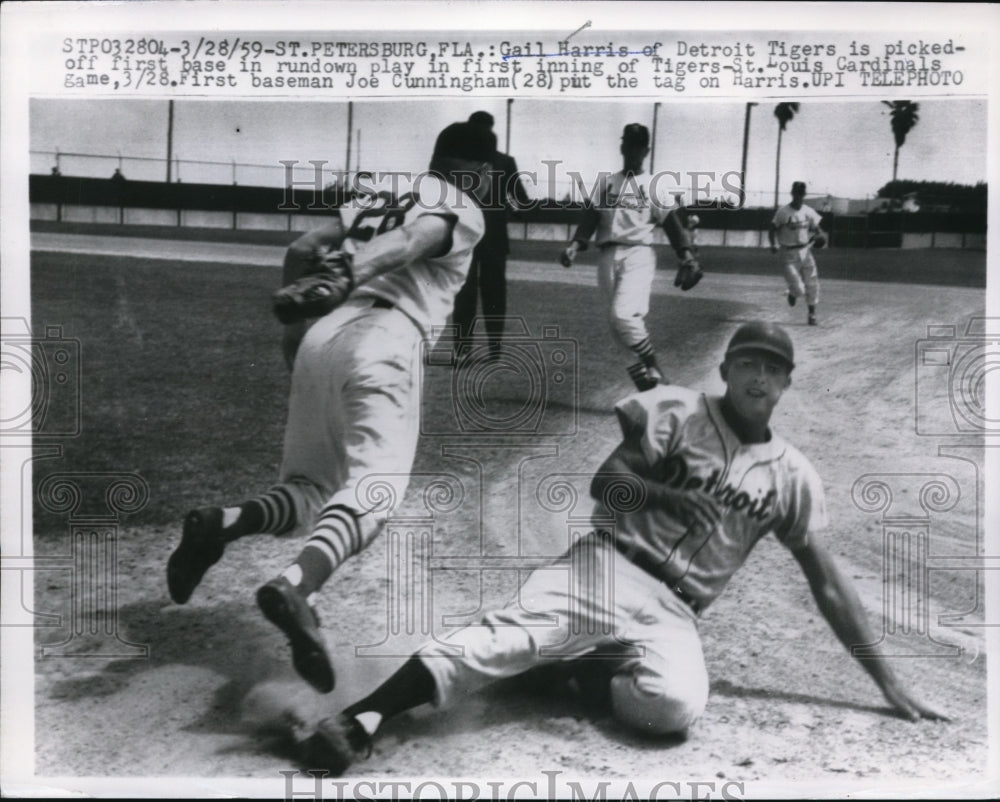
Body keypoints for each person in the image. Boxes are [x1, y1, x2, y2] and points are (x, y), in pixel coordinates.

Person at [296, 320, 946, 775]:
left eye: (773, 369)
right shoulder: (679, 412)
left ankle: (584, 670)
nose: (759, 375)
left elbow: (827, 581)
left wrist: (888, 681)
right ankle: (359, 721)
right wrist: (665, 498)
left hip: (676, 612)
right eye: (748, 361)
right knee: (504, 639)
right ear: (725, 369)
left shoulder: (793, 476)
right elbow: (608, 481)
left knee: (673, 708)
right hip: (607, 567)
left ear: (785, 386)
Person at [166, 122, 496, 693]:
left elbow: (302, 249)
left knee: (309, 487)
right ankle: (298, 585)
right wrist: (352, 273)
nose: (489, 181)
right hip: (387, 338)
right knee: (374, 492)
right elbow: (417, 239)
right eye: (488, 171)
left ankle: (220, 524)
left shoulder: (380, 193)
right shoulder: (460, 201)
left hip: (324, 334)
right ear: (472, 168)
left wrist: (301, 325)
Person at [559, 123, 702, 392]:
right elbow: (590, 218)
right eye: (629, 144)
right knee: (617, 330)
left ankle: (655, 367)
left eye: (639, 146)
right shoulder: (606, 183)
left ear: (646, 150)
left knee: (622, 315)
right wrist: (574, 247)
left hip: (638, 254)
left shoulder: (653, 186)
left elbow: (672, 224)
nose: (633, 150)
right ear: (622, 146)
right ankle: (647, 389)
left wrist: (687, 257)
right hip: (606, 255)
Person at [451, 110, 531, 363]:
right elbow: (522, 202)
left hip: (479, 238)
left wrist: (515, 208)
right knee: (480, 294)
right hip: (475, 238)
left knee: (478, 294)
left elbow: (521, 200)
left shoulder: (498, 162)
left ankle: (478, 351)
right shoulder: (493, 162)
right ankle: (477, 350)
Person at [769, 181, 825, 326]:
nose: (799, 195)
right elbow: (772, 228)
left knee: (812, 283)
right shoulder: (783, 212)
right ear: (792, 193)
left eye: (801, 192)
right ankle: (793, 293)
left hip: (806, 250)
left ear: (804, 194)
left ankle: (812, 314)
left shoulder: (808, 211)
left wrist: (820, 235)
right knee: (800, 289)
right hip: (787, 253)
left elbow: (818, 229)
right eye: (796, 192)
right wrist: (773, 244)